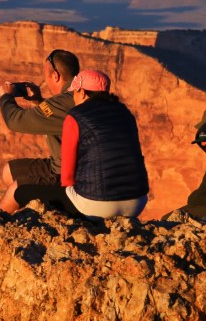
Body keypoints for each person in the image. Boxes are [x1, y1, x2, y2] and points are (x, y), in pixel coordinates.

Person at [13, 69, 149, 219]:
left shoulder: (76, 116)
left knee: (20, 191)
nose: (73, 98)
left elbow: (67, 176)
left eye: (74, 93)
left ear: (82, 92)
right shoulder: (125, 113)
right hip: (137, 201)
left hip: (97, 206)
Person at [0, 49, 81, 212]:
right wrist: (37, 101)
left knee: (16, 188)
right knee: (9, 171)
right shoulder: (72, 97)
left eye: (46, 75)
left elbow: (15, 121)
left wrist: (6, 97)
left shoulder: (65, 102)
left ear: (55, 76)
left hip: (64, 174)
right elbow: (52, 116)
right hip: (58, 165)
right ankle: (42, 210)